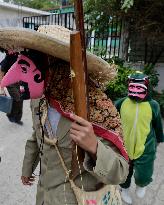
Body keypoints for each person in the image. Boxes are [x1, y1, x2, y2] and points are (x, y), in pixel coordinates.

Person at [0, 25, 129, 205]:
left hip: (75, 198)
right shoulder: (41, 99)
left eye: (38, 58)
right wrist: (27, 168)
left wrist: (94, 146)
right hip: (45, 196)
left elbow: (121, 173)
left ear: (59, 65)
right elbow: (36, 136)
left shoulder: (94, 107)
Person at [115, 72, 164, 204]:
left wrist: (160, 138)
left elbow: (158, 124)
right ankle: (124, 189)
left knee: (144, 173)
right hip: (124, 145)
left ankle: (141, 184)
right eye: (133, 87)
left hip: (146, 145)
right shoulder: (121, 103)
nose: (135, 91)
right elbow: (110, 117)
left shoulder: (153, 105)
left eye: (139, 88)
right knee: (125, 172)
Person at [0, 50, 23, 125]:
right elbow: (2, 72)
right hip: (9, 83)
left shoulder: (20, 58)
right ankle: (11, 115)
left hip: (18, 82)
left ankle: (17, 118)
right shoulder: (7, 60)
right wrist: (1, 85)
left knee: (21, 99)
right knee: (17, 98)